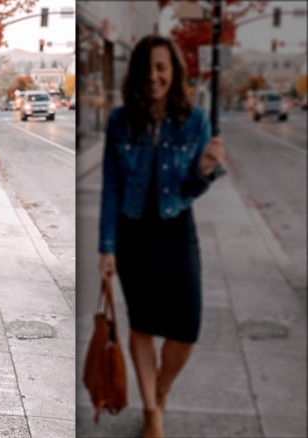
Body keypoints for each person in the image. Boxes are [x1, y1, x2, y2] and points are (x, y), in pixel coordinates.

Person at [98, 35, 226, 438]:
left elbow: (191, 187)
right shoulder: (121, 121)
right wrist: (107, 248)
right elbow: (112, 188)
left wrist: (205, 171)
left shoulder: (196, 120)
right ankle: (153, 411)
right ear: (136, 74)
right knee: (143, 326)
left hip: (176, 231)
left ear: (174, 72)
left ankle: (160, 388)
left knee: (186, 331)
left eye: (162, 67)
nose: (154, 76)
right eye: (147, 68)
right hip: (134, 234)